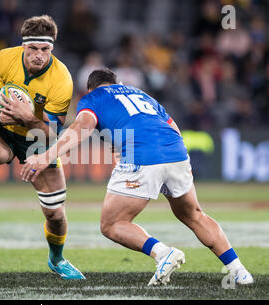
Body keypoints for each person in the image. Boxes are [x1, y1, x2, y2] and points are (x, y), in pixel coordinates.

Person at [18, 68, 254, 286]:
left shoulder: (93, 98)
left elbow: (82, 128)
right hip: (176, 152)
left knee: (111, 224)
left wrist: (45, 156)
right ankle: (239, 271)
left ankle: (163, 253)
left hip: (142, 155)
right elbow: (173, 128)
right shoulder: (141, 95)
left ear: (91, 89)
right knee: (194, 215)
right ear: (117, 83)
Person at [0, 15, 85, 280]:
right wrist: (0, 117)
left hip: (38, 141)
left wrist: (28, 118)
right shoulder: (3, 58)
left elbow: (52, 135)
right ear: (23, 46)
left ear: (52, 49)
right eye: (33, 48)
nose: (38, 55)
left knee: (55, 214)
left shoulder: (62, 79)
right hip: (2, 130)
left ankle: (57, 260)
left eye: (44, 50)